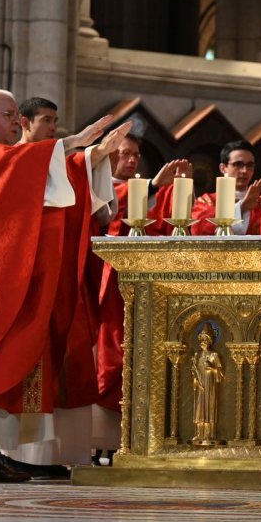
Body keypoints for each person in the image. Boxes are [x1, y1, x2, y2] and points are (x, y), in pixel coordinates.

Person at [0, 90, 127, 482]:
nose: (15, 121)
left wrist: (89, 157)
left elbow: (34, 185)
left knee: (7, 369)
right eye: (8, 115)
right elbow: (21, 167)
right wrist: (73, 145)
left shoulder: (1, 160)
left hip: (4, 285)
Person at [90, 134, 190, 462]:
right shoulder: (99, 186)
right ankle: (100, 440)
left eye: (136, 154)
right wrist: (152, 186)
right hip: (109, 285)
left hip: (147, 285)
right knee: (113, 357)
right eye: (124, 154)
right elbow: (110, 217)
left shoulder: (144, 188)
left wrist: (175, 190)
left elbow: (163, 225)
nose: (132, 160)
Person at [183, 140, 261, 235]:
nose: (244, 171)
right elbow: (198, 230)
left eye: (250, 165)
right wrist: (242, 207)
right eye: (238, 164)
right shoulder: (207, 201)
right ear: (223, 168)